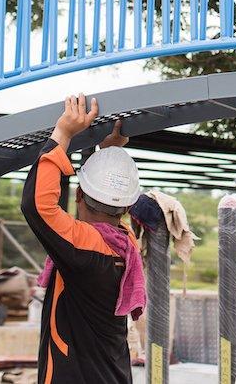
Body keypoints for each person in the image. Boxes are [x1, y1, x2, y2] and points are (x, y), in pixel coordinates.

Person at [21, 94, 145, 383]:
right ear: (126, 208)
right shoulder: (125, 244)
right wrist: (104, 155)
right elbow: (95, 216)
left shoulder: (83, 249)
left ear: (78, 195)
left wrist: (62, 133)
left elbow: (38, 205)